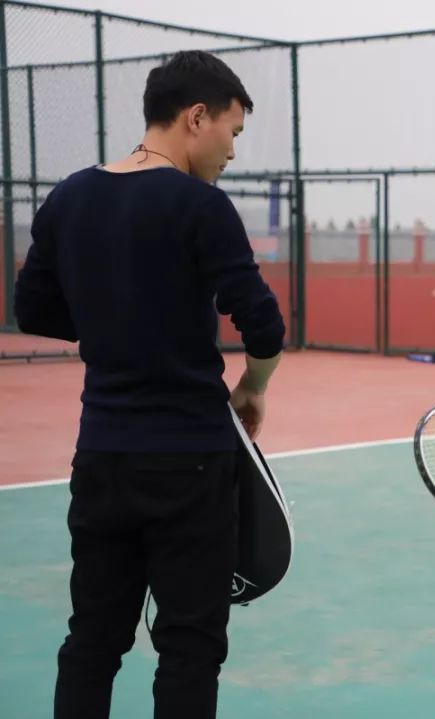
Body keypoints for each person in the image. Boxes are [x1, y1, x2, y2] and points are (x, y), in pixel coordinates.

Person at [13, 50, 285, 719]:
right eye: (232, 132)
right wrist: (253, 386)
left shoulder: (69, 197)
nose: (232, 151)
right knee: (190, 646)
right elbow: (263, 323)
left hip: (101, 457)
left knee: (92, 639)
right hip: (191, 461)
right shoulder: (200, 205)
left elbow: (34, 310)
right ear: (197, 117)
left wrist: (112, 321)